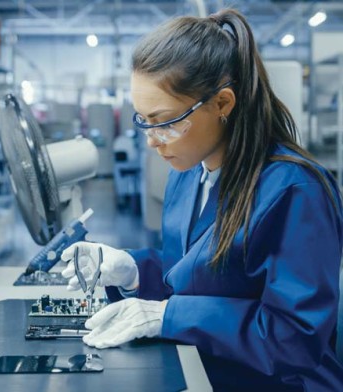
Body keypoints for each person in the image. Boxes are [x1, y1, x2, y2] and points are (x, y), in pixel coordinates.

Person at [61, 8, 343, 392]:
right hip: (205, 370)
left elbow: (294, 337)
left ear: (223, 104)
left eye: (164, 122)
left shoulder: (294, 191)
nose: (151, 140)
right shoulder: (189, 174)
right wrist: (131, 269)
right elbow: (193, 273)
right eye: (143, 120)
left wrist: (167, 315)